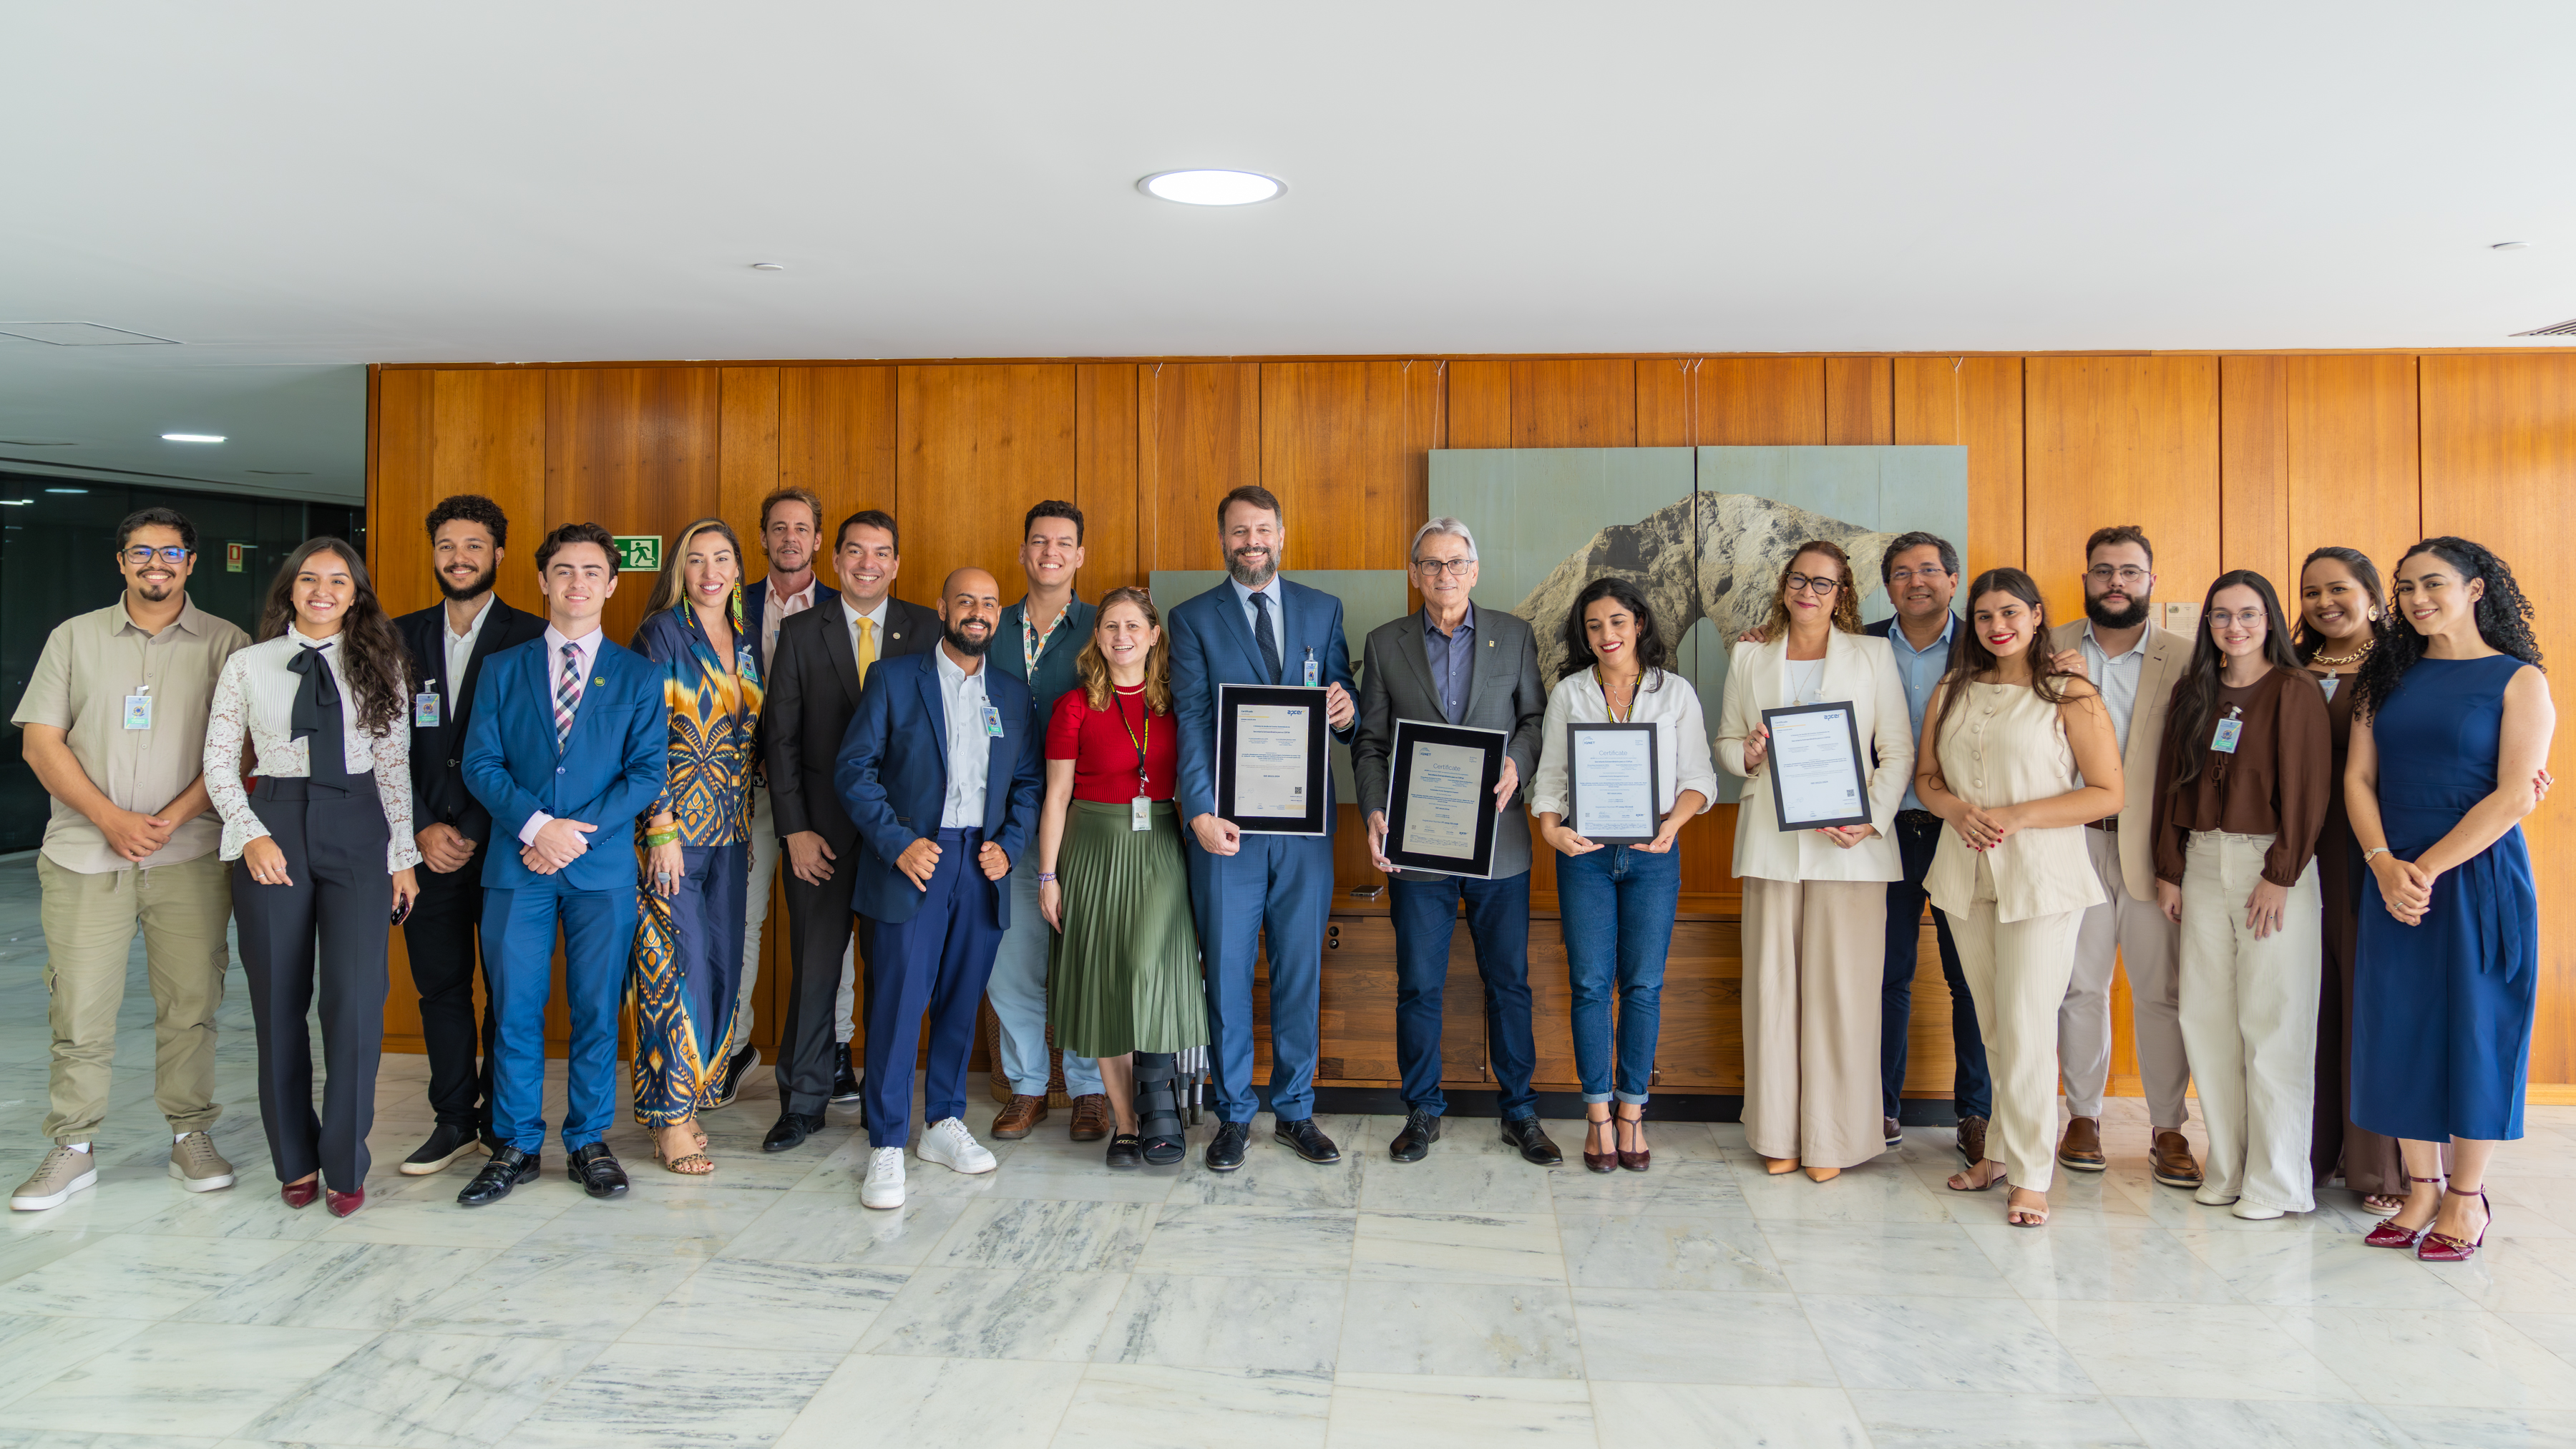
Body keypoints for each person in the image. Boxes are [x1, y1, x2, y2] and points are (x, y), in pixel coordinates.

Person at [8, 509, 248, 1214]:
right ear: (120, 562)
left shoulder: (228, 644)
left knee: (192, 1005)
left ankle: (190, 1134)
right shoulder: (74, 638)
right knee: (79, 1007)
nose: (156, 564)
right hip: (85, 855)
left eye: (171, 552)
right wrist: (110, 819)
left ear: (192, 563)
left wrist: (169, 818)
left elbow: (239, 749)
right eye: (141, 551)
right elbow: (40, 743)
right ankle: (74, 1146)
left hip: (190, 854)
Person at [200, 539, 422, 1217]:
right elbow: (218, 762)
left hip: (359, 822)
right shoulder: (249, 663)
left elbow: (394, 764)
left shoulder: (383, 661)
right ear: (290, 590)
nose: (322, 590)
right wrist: (252, 834)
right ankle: (293, 1157)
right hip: (275, 819)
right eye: (309, 579)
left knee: (355, 1000)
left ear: (356, 595)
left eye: (338, 581)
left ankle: (344, 1162)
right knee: (278, 1003)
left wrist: (402, 857)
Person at [2350, 537, 2555, 1264]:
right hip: (2392, 870)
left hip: (2474, 872)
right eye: (2405, 587)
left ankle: (2467, 1197)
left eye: (2433, 583)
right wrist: (2383, 864)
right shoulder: (2386, 675)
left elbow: (2515, 794)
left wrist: (2425, 869)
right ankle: (2421, 1188)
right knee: (2399, 1025)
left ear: (2476, 589)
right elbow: (2359, 778)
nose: (2416, 599)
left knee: (2477, 1027)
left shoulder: (2519, 679)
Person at [454, 522, 668, 1208]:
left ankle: (587, 1140)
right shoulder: (502, 668)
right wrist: (538, 827)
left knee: (596, 1009)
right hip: (517, 866)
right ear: (543, 581)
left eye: (592, 571)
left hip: (600, 872)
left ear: (612, 584)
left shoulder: (639, 674)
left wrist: (574, 836)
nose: (578, 583)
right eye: (565, 570)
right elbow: (481, 763)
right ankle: (516, 1143)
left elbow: (646, 771)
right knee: (514, 1009)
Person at [835, 567, 1043, 1209]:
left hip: (981, 864)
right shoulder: (895, 679)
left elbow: (1028, 783)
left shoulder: (1012, 694)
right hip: (914, 860)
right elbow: (854, 770)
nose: (977, 612)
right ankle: (886, 1141)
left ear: (998, 614)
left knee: (960, 1000)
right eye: (965, 601)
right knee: (899, 1003)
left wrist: (1010, 846)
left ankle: (943, 1122)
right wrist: (897, 842)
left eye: (989, 603)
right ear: (942, 608)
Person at [1355, 517, 1558, 1168]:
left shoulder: (1514, 635)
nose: (1445, 574)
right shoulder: (1384, 644)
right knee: (1419, 984)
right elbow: (1371, 742)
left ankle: (1520, 1110)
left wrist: (1518, 763)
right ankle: (1422, 1108)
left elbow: (1534, 719)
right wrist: (1375, 809)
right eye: (1432, 563)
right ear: (1414, 573)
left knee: (1509, 983)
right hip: (1417, 845)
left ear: (1475, 570)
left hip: (1499, 843)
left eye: (1456, 563)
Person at [1922, 569, 2121, 1229]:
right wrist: (1956, 810)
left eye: (2010, 612)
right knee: (1995, 1028)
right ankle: (2000, 1156)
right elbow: (1927, 778)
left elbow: (2108, 793)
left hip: (2042, 879)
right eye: (1984, 616)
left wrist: (2016, 815)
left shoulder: (2070, 691)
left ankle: (2032, 1175)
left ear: (2037, 615)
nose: (1997, 626)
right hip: (1964, 876)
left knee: (2030, 1029)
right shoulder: (1951, 688)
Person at [1170, 484, 1360, 1171]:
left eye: (1262, 530)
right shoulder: (1192, 618)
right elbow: (1192, 720)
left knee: (1299, 971)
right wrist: (1198, 811)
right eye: (1239, 531)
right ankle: (1233, 1114)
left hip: (1305, 830)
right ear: (1222, 539)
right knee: (1226, 974)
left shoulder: (1323, 608)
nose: (1251, 541)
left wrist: (1346, 710)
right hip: (1227, 831)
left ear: (1281, 534)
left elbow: (1342, 696)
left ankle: (1297, 1110)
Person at [1717, 540, 1914, 1182]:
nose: (1809, 591)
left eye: (1823, 583)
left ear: (1842, 593)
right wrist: (1747, 753)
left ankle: (1833, 1138)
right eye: (1799, 579)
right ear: (1784, 586)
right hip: (1771, 846)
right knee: (1772, 993)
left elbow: (1898, 751)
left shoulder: (1873, 655)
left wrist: (1872, 818)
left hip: (1849, 848)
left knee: (1842, 997)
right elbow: (1726, 744)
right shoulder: (1750, 655)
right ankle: (1777, 1131)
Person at [2150, 570, 2332, 1220]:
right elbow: (2172, 781)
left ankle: (2276, 1182)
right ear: (2208, 624)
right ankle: (2227, 1167)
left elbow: (2309, 788)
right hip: (2201, 861)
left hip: (2270, 865)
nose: (2235, 626)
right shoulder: (2193, 689)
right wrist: (2169, 868)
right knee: (2206, 1020)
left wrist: (2281, 874)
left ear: (2270, 619)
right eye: (2222, 615)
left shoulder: (2293, 689)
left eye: (2249, 613)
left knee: (2274, 1021)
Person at [760, 509, 939, 1153]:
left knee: (891, 974)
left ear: (896, 563)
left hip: (899, 840)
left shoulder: (927, 629)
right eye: (856, 552)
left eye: (881, 552)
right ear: (835, 560)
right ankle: (802, 1103)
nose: (868, 564)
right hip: (822, 838)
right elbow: (780, 740)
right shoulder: (801, 631)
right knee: (814, 970)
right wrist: (794, 831)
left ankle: (882, 1104)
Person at [1528, 578, 1715, 1174]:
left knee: (1643, 985)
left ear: (1638, 624)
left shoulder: (1674, 692)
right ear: (1584, 635)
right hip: (1583, 855)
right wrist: (1551, 831)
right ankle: (1597, 1116)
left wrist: (1673, 825)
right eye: (1593, 626)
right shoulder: (1570, 693)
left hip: (1653, 855)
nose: (1606, 634)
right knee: (1589, 983)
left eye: (1616, 621)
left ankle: (1632, 1110)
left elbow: (1699, 776)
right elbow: (1550, 778)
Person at [391, 494, 546, 1176]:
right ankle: (453, 1118)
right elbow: (380, 746)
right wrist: (422, 825)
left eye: (474, 545)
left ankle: (498, 1120)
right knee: (442, 988)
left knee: (508, 990)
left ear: (499, 554)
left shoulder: (533, 635)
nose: (459, 557)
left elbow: (537, 752)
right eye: (447, 545)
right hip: (424, 848)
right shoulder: (397, 636)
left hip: (507, 847)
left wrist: (476, 828)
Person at [2046, 525, 2199, 1188]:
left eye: (2130, 571)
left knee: (2160, 991)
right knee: (2078, 986)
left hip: (2150, 847)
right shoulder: (2044, 646)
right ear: (2085, 578)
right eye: (2104, 570)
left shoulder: (2187, 656)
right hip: (2069, 840)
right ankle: (2083, 1116)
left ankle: (2169, 1127)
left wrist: (2178, 858)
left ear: (2150, 582)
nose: (2116, 582)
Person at [1035, 587, 1209, 1167]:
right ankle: (1128, 1125)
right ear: (1098, 635)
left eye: (1134, 625)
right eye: (1111, 625)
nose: (1122, 636)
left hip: (1159, 845)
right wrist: (1048, 875)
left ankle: (1159, 1103)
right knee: (1107, 983)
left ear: (1155, 634)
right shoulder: (1075, 706)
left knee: (1146, 968)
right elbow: (1056, 797)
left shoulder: (1177, 704)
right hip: (1091, 849)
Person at [628, 519, 765, 1175]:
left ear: (738, 569)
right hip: (673, 834)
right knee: (671, 972)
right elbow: (644, 732)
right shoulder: (661, 634)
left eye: (722, 559)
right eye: (696, 560)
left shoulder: (746, 640)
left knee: (720, 967)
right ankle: (669, 1118)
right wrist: (660, 825)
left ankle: (689, 1096)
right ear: (679, 571)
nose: (711, 572)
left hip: (732, 833)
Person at [1861, 531, 1991, 1165]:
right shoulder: (1857, 645)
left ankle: (1976, 1113)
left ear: (1953, 579)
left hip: (1959, 830)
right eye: (1902, 573)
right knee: (1887, 973)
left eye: (1930, 570)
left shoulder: (1987, 644)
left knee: (1970, 977)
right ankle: (1880, 1106)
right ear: (1887, 586)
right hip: (1882, 831)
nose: (1917, 581)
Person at [987, 500, 1106, 1143]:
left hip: (1082, 821)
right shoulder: (990, 623)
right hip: (1004, 824)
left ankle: (1088, 1089)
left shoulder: (1102, 626)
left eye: (1063, 542)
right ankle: (1029, 1084)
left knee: (1081, 960)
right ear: (1023, 551)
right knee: (1010, 962)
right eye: (1039, 541)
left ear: (1080, 555)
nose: (1050, 552)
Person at [722, 486, 836, 1108]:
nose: (790, 538)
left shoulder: (843, 608)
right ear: (762, 536)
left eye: (801, 528)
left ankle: (835, 1047)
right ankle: (732, 1048)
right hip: (741, 794)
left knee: (827, 927)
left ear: (818, 539)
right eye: (779, 527)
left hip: (818, 799)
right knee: (740, 920)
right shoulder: (726, 603)